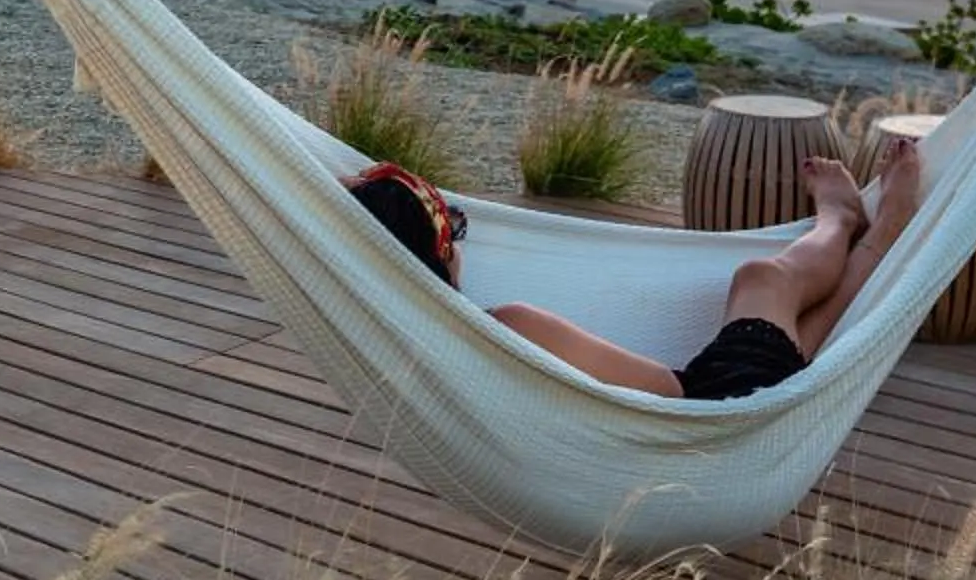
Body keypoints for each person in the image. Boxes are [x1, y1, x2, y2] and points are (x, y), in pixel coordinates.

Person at [345, 139, 919, 400]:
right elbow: (671, 394)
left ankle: (874, 238)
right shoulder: (510, 326)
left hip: (725, 419)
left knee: (792, 347)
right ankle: (841, 222)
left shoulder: (416, 346)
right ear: (443, 252)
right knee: (760, 281)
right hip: (710, 415)